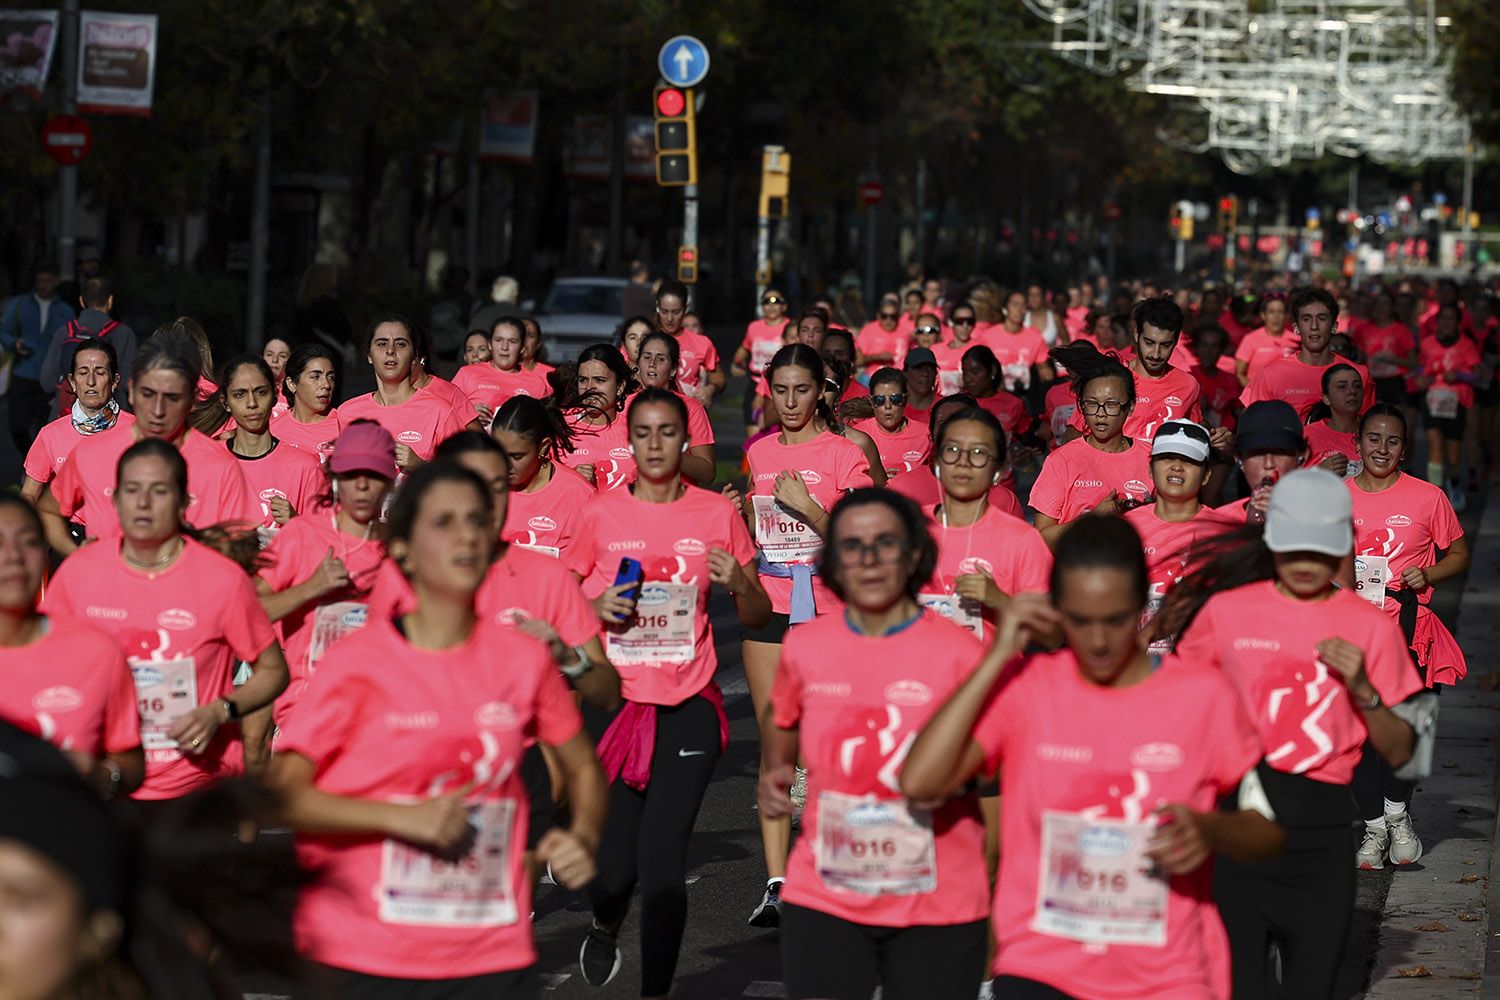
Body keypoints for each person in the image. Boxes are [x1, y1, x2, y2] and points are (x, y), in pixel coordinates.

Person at [901, 515, 1283, 1000]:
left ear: (1143, 606)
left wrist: (1210, 830)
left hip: (1168, 973)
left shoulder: (1203, 697)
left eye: (1116, 620)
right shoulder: (1029, 690)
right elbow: (920, 781)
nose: (1098, 641)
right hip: (1042, 966)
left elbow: (1267, 832)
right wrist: (997, 656)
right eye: (1079, 621)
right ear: (1056, 609)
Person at [268, 461, 606, 999]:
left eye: (476, 521)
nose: (466, 537)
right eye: (444, 522)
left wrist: (581, 836)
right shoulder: (357, 664)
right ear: (402, 551)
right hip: (369, 951)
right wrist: (402, 818)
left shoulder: (522, 659)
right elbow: (283, 794)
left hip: (489, 947)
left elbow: (583, 765)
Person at [1161, 469, 1420, 999]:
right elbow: (1175, 710)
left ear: (1342, 545)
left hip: (1321, 836)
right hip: (1234, 828)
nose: (1305, 562)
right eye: (1293, 547)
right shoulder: (1226, 612)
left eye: (1319, 550)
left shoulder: (1372, 625)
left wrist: (1364, 692)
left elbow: (1408, 755)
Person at [567, 389, 770, 995]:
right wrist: (592, 607)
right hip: (615, 705)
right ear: (629, 441)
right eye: (644, 433)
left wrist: (742, 585)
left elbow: (757, 615)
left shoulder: (716, 514)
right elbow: (562, 600)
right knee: (611, 873)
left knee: (661, 868)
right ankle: (605, 922)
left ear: (685, 440)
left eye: (667, 433)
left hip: (688, 706)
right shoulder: (600, 514)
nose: (655, 445)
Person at [759, 489, 990, 1000]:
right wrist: (776, 776)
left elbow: (991, 772)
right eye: (851, 545)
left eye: (884, 543)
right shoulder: (806, 646)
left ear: (914, 554)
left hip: (937, 900)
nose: (868, 559)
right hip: (828, 895)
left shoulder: (959, 652)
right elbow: (779, 732)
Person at [44, 439, 290, 807]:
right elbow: (46, 665)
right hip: (106, 784)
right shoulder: (78, 573)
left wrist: (219, 711)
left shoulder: (221, 579)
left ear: (182, 503)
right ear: (115, 501)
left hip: (195, 786)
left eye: (158, 491)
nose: (143, 502)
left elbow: (273, 670)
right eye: (132, 490)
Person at [742, 344, 875, 927]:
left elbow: (862, 543)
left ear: (822, 391)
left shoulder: (847, 453)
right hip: (773, 604)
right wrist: (741, 518)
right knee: (776, 743)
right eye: (781, 390)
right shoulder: (759, 451)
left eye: (802, 390)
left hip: (830, 610)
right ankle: (776, 883)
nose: (791, 402)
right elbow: (759, 531)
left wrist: (809, 508)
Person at [1348, 403, 1469, 869]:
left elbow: (1458, 553)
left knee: (1410, 729)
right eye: (1373, 438)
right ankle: (1375, 828)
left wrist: (1429, 573)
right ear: (1358, 442)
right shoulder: (1335, 498)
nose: (1382, 448)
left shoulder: (1428, 497)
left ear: (1404, 449)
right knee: (1357, 736)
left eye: (1393, 441)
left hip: (1411, 630)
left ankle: (1396, 814)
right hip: (1353, 632)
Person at [39, 335, 259, 556]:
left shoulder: (220, 466)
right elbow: (48, 510)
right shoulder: (91, 453)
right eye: (148, 394)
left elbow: (245, 544)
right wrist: (77, 555)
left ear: (192, 400)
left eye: (172, 397)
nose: (158, 410)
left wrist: (204, 556)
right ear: (132, 391)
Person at [0, 494, 143, 799]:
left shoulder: (98, 652)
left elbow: (130, 760)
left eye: (29, 542)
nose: (13, 556)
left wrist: (102, 775)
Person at [254, 422, 396, 724]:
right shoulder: (303, 534)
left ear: (388, 481)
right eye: (351, 474)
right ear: (334, 478)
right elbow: (246, 612)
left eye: (372, 475)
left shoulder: (401, 548)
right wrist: (311, 588)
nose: (361, 485)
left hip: (376, 714)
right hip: (306, 712)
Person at [921, 406, 1051, 641]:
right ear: (937, 462)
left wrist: (1001, 601)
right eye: (952, 450)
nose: (963, 461)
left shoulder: (1023, 540)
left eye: (978, 453)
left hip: (997, 665)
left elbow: (1051, 635)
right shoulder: (910, 530)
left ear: (998, 471)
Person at [1122, 420, 1233, 650]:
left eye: (1189, 460)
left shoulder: (1223, 533)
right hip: (1134, 660)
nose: (1177, 467)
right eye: (1167, 458)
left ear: (1206, 475)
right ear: (1150, 469)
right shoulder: (1125, 528)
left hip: (1197, 661)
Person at [1030, 344, 1153, 546]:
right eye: (1092, 404)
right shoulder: (1060, 461)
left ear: (1131, 407)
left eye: (1111, 404)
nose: (1101, 413)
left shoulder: (1152, 457)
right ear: (1080, 405)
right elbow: (1041, 538)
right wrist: (1092, 518)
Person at [338, 314, 479, 470]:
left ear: (414, 356)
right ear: (369, 356)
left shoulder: (440, 412)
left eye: (401, 344)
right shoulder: (347, 413)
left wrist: (420, 466)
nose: (390, 350)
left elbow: (464, 474)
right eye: (382, 344)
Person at [219, 356, 326, 539]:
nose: (252, 403)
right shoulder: (208, 463)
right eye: (239, 394)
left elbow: (326, 542)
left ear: (275, 396)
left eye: (261, 392)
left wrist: (296, 521)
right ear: (225, 402)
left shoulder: (306, 467)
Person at [21, 339, 133, 510]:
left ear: (115, 381)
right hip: (66, 525)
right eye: (83, 372)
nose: (91, 381)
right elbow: (29, 494)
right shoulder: (50, 435)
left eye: (100, 373)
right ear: (73, 382)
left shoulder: (135, 430)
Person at [1241, 288, 1374, 421]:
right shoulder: (1269, 376)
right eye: (1306, 319)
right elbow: (1250, 426)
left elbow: (1368, 426)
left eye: (1322, 318)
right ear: (1296, 328)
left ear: (1334, 326)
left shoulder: (1359, 375)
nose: (1314, 326)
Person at [491, 394, 594, 560]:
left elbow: (584, 565)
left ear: (543, 447)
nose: (505, 464)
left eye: (517, 456)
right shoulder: (482, 487)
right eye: (498, 453)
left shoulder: (579, 494)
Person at [1, 260, 74, 454]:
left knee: (45, 428)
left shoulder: (65, 311)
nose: (43, 285)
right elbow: (4, 331)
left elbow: (71, 342)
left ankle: (37, 466)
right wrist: (14, 343)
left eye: (47, 281)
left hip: (50, 378)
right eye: (40, 280)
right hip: (24, 372)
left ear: (56, 281)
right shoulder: (20, 304)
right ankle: (30, 459)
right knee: (17, 426)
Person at [1418, 301, 1483, 509]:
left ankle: (1454, 486)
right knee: (1435, 447)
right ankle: (1435, 497)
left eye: (1451, 318)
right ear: (1437, 321)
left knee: (1453, 456)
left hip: (1457, 403)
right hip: (1433, 400)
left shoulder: (1467, 345)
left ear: (1457, 322)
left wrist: (1459, 375)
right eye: (1443, 318)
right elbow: (1420, 369)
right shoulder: (1427, 343)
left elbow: (1477, 375)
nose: (1446, 322)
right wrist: (1422, 380)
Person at [39, 275, 135, 414]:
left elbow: (46, 383)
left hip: (67, 417)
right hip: (110, 418)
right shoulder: (123, 333)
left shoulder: (64, 332)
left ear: (81, 301)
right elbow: (127, 382)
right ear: (110, 301)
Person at [632, 331, 717, 486]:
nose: (652, 364)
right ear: (638, 365)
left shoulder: (690, 408)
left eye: (661, 359)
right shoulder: (623, 406)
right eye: (646, 357)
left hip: (679, 497)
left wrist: (672, 456)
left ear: (673, 370)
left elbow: (708, 472)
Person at [558, 344, 638, 491]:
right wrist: (571, 479)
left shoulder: (637, 431)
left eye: (599, 380)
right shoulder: (559, 426)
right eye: (583, 380)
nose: (589, 388)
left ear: (620, 387)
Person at [1216, 400, 1310, 522]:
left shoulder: (1324, 522)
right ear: (1239, 459)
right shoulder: (1218, 525)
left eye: (1280, 452)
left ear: (1302, 457)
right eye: (1257, 453)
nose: (1269, 464)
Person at [452, 316, 554, 424]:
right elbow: (445, 412)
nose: (504, 347)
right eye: (498, 340)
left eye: (512, 342)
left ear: (522, 348)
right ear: (490, 344)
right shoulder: (467, 374)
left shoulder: (537, 384)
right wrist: (468, 413)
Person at [850, 367, 930, 479]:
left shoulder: (927, 435)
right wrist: (878, 480)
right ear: (871, 402)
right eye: (879, 400)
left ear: (906, 399)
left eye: (895, 399)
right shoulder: (857, 436)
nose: (888, 406)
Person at [270, 343, 342, 461]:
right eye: (315, 377)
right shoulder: (273, 432)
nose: (326, 384)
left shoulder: (343, 426)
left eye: (331, 377)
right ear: (291, 384)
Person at [656, 280, 724, 405]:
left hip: (689, 411)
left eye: (676, 312)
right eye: (664, 311)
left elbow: (719, 379)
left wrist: (710, 390)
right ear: (657, 307)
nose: (670, 318)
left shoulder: (702, 343)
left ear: (686, 308)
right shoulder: (646, 339)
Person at [733, 290, 791, 431]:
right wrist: (736, 363)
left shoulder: (790, 327)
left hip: (779, 385)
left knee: (777, 431)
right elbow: (745, 347)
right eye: (766, 302)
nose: (771, 306)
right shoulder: (754, 327)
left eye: (776, 302)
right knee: (753, 432)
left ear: (784, 306)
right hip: (755, 383)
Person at [1352, 290, 1417, 405]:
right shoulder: (1362, 330)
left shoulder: (1401, 330)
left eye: (1385, 304)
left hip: (1394, 383)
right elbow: (1357, 357)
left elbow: (1413, 362)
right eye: (1378, 304)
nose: (1381, 308)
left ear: (1393, 308)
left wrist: (1392, 359)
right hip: (1370, 381)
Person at [1303, 362, 1365, 478]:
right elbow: (1290, 481)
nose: (1352, 391)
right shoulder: (1308, 435)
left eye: (1357, 386)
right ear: (1326, 398)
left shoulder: (1374, 431)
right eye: (1342, 387)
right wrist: (1319, 471)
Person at [979, 289, 1047, 393]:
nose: (1019, 310)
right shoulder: (987, 336)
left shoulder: (1035, 337)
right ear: (1005, 309)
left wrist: (1048, 376)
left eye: (1023, 306)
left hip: (1024, 395)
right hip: (994, 394)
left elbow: (1043, 367)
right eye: (1015, 305)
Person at [959, 344, 1032, 440]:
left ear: (992, 370)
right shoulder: (957, 403)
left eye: (975, 372)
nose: (968, 379)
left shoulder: (1013, 404)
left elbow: (1026, 441)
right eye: (964, 372)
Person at [1233, 292, 1294, 386]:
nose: (1276, 317)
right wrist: (1255, 391)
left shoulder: (1297, 340)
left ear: (1287, 316)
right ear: (1263, 315)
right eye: (1271, 312)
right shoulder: (1250, 339)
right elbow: (1239, 374)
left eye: (1280, 312)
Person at [855, 295, 909, 379]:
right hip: (871, 376)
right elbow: (858, 361)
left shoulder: (906, 331)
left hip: (899, 377)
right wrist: (877, 357)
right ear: (878, 316)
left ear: (898, 316)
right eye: (884, 316)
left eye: (893, 316)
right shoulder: (869, 330)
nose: (889, 320)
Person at [902, 346, 941, 422]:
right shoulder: (895, 407)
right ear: (905, 373)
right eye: (918, 368)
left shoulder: (945, 408)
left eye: (930, 368)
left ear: (935, 373)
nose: (925, 374)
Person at [261, 337, 292, 417]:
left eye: (282, 356)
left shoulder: (297, 392)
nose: (274, 360)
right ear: (261, 357)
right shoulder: (249, 388)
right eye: (269, 355)